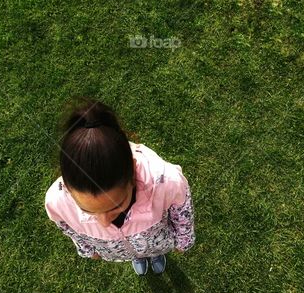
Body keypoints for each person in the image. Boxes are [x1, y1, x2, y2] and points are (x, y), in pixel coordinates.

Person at [44, 98, 195, 275]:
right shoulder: (56, 202)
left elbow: (183, 214)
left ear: (132, 176)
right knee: (137, 252)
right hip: (121, 250)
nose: (105, 222)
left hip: (159, 242)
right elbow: (69, 229)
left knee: (155, 248)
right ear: (67, 188)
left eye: (115, 207)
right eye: (88, 210)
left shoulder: (167, 182)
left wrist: (183, 240)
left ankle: (155, 255)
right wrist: (87, 249)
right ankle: (137, 256)